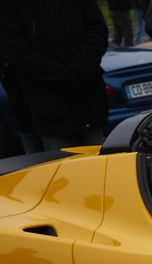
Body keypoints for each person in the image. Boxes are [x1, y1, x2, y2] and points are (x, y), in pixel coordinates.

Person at [0, 0, 109, 151]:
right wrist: (60, 74)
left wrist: (81, 67)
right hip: (49, 104)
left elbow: (98, 30)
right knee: (61, 162)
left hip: (88, 98)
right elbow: (16, 49)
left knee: (98, 159)